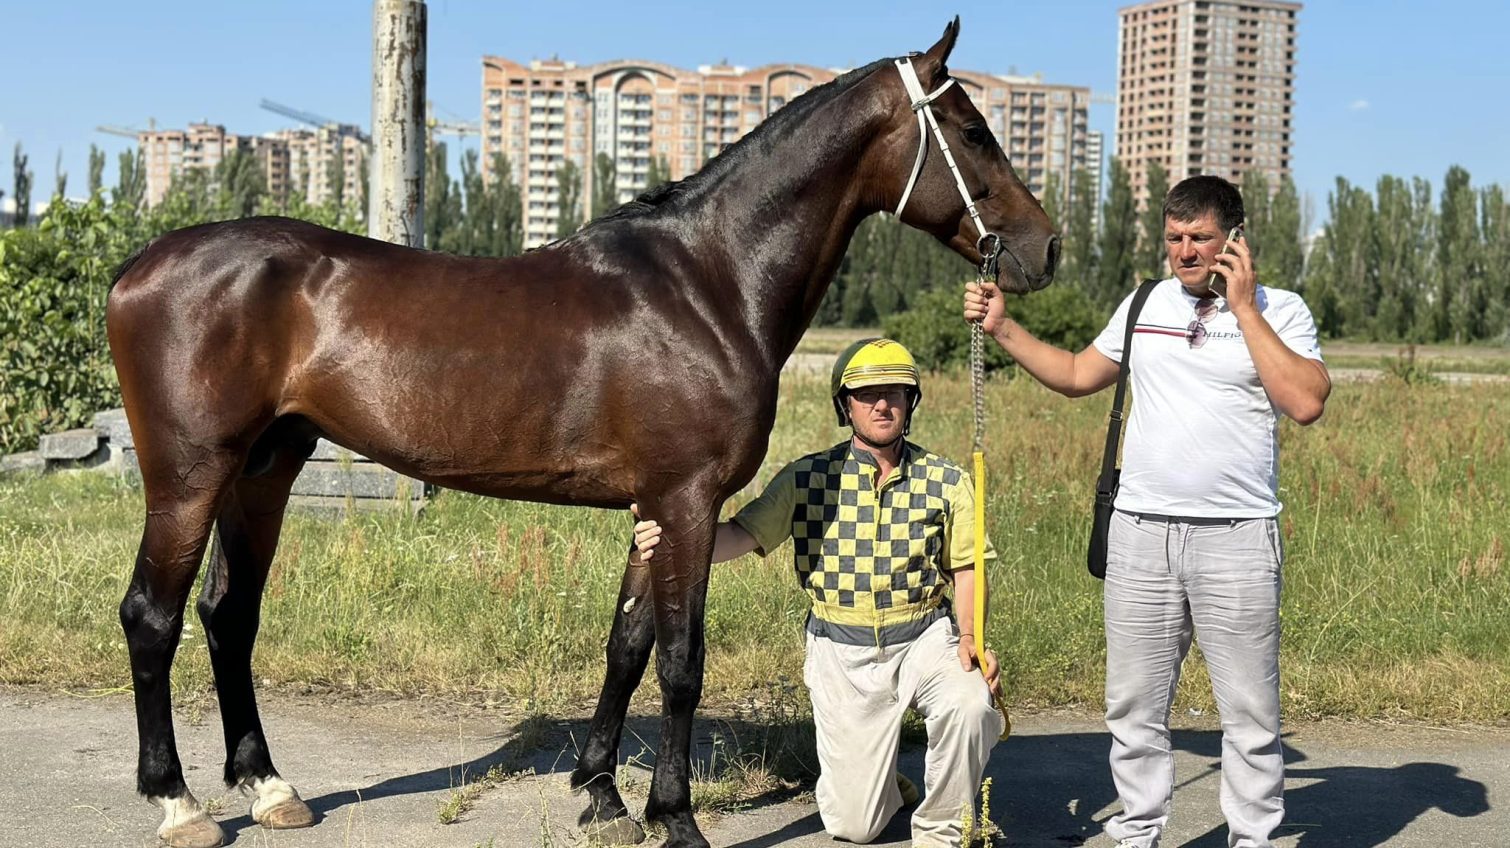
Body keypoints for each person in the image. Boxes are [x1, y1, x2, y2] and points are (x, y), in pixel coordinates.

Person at [963, 175, 1330, 848]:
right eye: (1173, 239)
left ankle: (1253, 840)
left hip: (1237, 540)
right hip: (1141, 536)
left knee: (1249, 715)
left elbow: (1306, 402)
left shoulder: (1282, 310)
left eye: (1200, 239)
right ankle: (1138, 835)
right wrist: (1004, 327)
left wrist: (1245, 311)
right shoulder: (1143, 305)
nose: (1185, 252)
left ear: (1237, 240)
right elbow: (1077, 375)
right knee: (1134, 709)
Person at [632, 338, 1003, 847]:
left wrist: (972, 636)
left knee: (971, 702)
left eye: (894, 393)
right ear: (844, 405)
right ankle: (881, 777)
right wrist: (674, 537)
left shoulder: (947, 480)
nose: (881, 405)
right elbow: (741, 535)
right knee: (856, 826)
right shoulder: (806, 478)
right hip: (841, 648)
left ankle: (943, 830)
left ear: (910, 401)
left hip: (923, 635)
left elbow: (966, 567)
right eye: (866, 394)